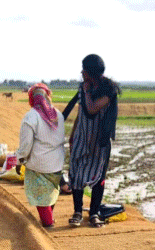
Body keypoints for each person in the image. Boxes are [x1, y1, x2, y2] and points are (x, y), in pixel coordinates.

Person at [62, 54, 119, 228]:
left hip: (99, 141)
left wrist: (86, 91)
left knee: (99, 176)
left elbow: (92, 109)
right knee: (76, 173)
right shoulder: (84, 88)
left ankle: (93, 213)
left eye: (84, 70)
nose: (81, 72)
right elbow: (81, 112)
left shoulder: (108, 89)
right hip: (81, 137)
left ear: (90, 72)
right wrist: (72, 136)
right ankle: (77, 212)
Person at [16, 83, 66, 228]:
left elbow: (25, 146)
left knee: (41, 197)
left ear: (32, 98)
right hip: (57, 162)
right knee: (50, 193)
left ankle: (48, 223)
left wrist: (20, 160)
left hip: (38, 164)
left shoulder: (31, 116)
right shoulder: (59, 115)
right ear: (48, 96)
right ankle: (49, 218)